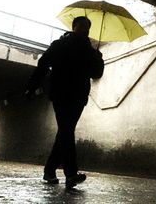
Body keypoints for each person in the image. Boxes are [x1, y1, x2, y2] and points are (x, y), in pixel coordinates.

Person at [25, 16, 104, 189]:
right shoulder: (60, 45)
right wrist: (31, 87)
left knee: (64, 132)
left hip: (79, 97)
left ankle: (49, 171)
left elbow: (97, 74)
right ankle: (70, 174)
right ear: (74, 26)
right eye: (82, 26)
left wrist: (99, 58)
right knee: (67, 130)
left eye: (87, 28)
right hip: (61, 94)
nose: (85, 30)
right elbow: (43, 65)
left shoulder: (90, 50)